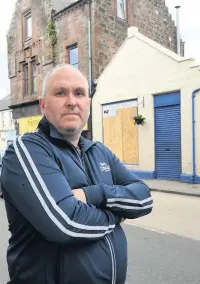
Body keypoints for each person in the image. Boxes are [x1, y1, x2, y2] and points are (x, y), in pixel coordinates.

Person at [1, 64, 153, 284]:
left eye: (79, 93)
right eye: (61, 92)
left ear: (88, 105)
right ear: (43, 105)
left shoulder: (99, 151)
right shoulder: (27, 149)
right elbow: (65, 223)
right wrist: (118, 215)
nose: (71, 101)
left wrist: (95, 195)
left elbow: (144, 197)